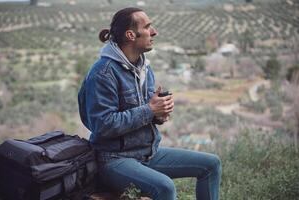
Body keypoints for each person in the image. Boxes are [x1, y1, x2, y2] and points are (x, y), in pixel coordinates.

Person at [78, 7, 221, 200]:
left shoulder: (143, 66)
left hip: (147, 153)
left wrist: (159, 114)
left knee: (211, 165)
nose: (154, 32)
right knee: (165, 187)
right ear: (131, 35)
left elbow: (147, 112)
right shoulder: (103, 73)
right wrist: (150, 109)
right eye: (148, 27)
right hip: (114, 160)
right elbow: (102, 125)